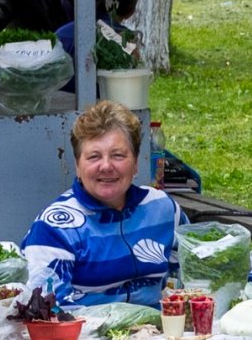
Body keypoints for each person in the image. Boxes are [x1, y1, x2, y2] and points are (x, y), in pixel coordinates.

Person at [21, 100, 183, 308]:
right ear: (78, 167)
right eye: (94, 156)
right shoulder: (54, 228)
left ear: (135, 163)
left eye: (118, 155)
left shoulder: (164, 210)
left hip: (158, 334)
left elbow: (192, 275)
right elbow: (48, 311)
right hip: (83, 336)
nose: (106, 166)